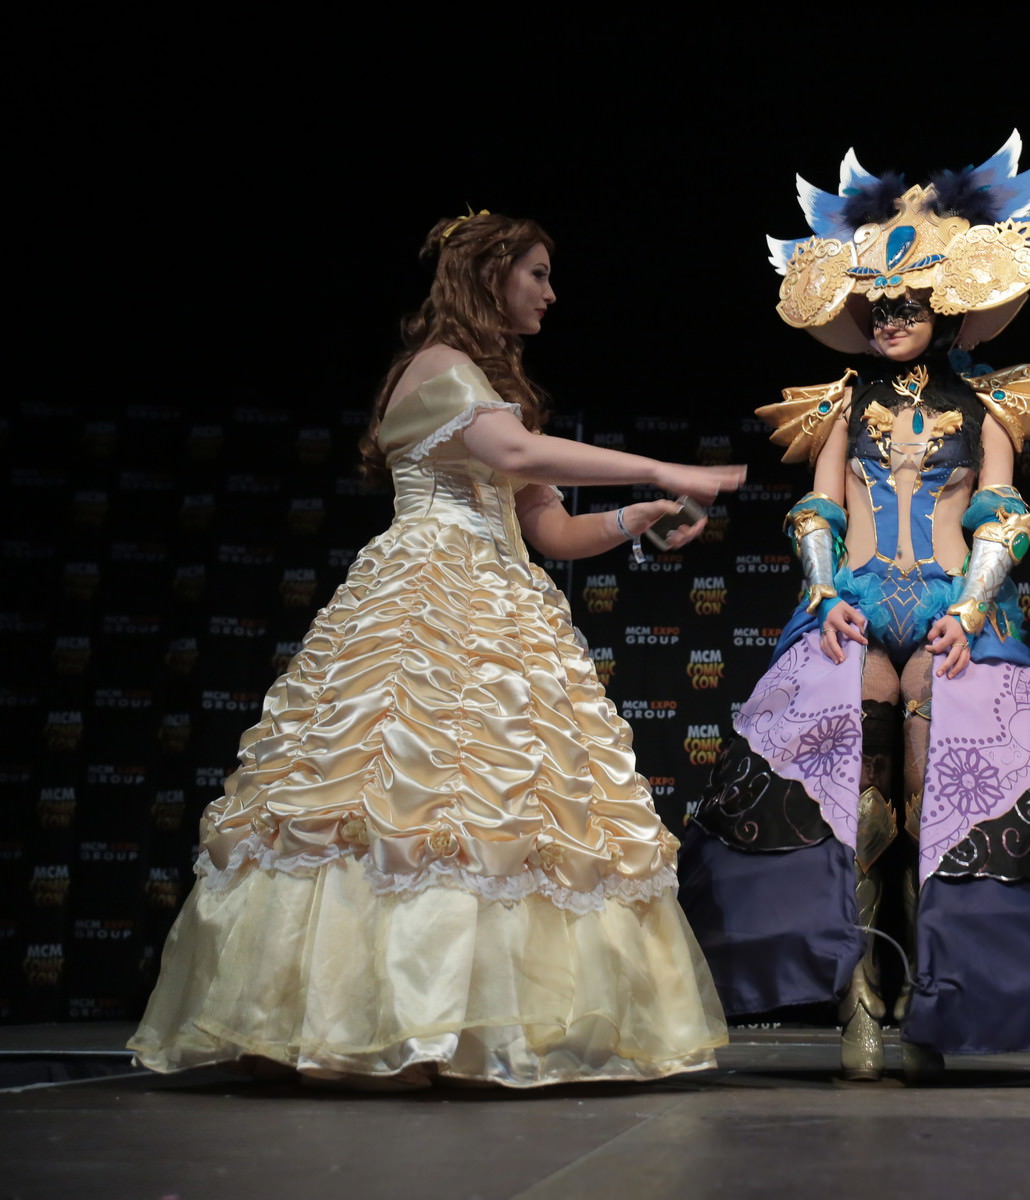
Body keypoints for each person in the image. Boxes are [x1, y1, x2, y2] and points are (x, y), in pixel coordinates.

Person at [129, 210, 742, 1087]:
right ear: (491, 275)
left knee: (504, 807)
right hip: (429, 588)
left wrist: (631, 517)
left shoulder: (496, 390)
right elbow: (515, 450)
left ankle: (477, 1030)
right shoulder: (437, 367)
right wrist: (660, 467)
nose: (550, 293)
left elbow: (551, 532)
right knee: (399, 793)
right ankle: (365, 1021)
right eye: (537, 273)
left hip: (500, 590)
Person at [679, 135, 1030, 1081]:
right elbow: (815, 510)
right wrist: (824, 595)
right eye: (879, 306)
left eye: (908, 304)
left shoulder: (987, 404)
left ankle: (937, 999)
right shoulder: (838, 403)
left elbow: (1002, 517)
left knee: (943, 795)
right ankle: (861, 995)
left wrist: (973, 613)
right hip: (853, 608)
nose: (891, 318)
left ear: (943, 309)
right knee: (851, 804)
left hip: (952, 609)